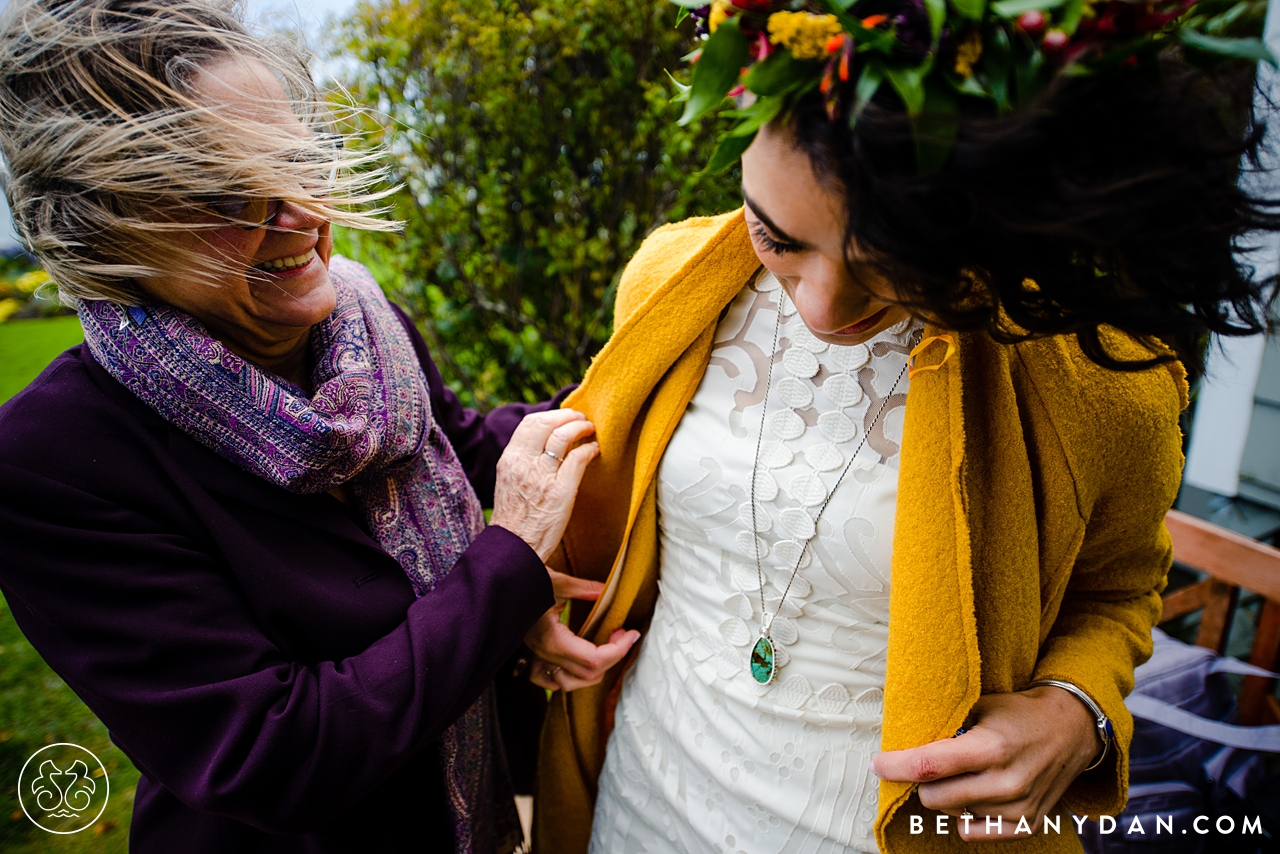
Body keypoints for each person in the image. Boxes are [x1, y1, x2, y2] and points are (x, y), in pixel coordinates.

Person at [531, 1, 1278, 852]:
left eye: (892, 273)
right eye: (779, 240)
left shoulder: (1102, 380)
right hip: (641, 801)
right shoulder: (666, 283)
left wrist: (1078, 714)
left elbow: (1118, 590)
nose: (822, 308)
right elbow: (613, 531)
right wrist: (534, 591)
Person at [0, 1, 639, 851]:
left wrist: (644, 384)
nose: (300, 212)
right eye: (230, 193)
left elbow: (467, 453)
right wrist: (506, 569)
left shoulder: (362, 327)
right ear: (104, 230)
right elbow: (277, 753)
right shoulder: (53, 460)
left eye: (300, 161)